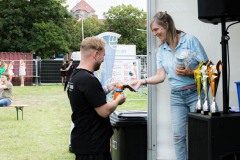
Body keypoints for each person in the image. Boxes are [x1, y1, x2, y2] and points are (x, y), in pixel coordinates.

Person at [131, 11, 208, 160]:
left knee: (199, 136)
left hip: (195, 94)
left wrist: (191, 72)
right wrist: (142, 81)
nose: (154, 34)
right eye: (152, 31)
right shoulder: (161, 50)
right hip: (177, 97)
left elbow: (207, 67)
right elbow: (161, 75)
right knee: (178, 137)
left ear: (166, 25)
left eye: (156, 29)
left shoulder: (190, 41)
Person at [67, 36, 126, 160]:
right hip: (93, 147)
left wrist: (109, 87)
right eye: (103, 55)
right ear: (95, 54)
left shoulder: (76, 75)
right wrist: (118, 100)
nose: (103, 59)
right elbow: (104, 111)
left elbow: (90, 97)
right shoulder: (89, 80)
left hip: (84, 141)